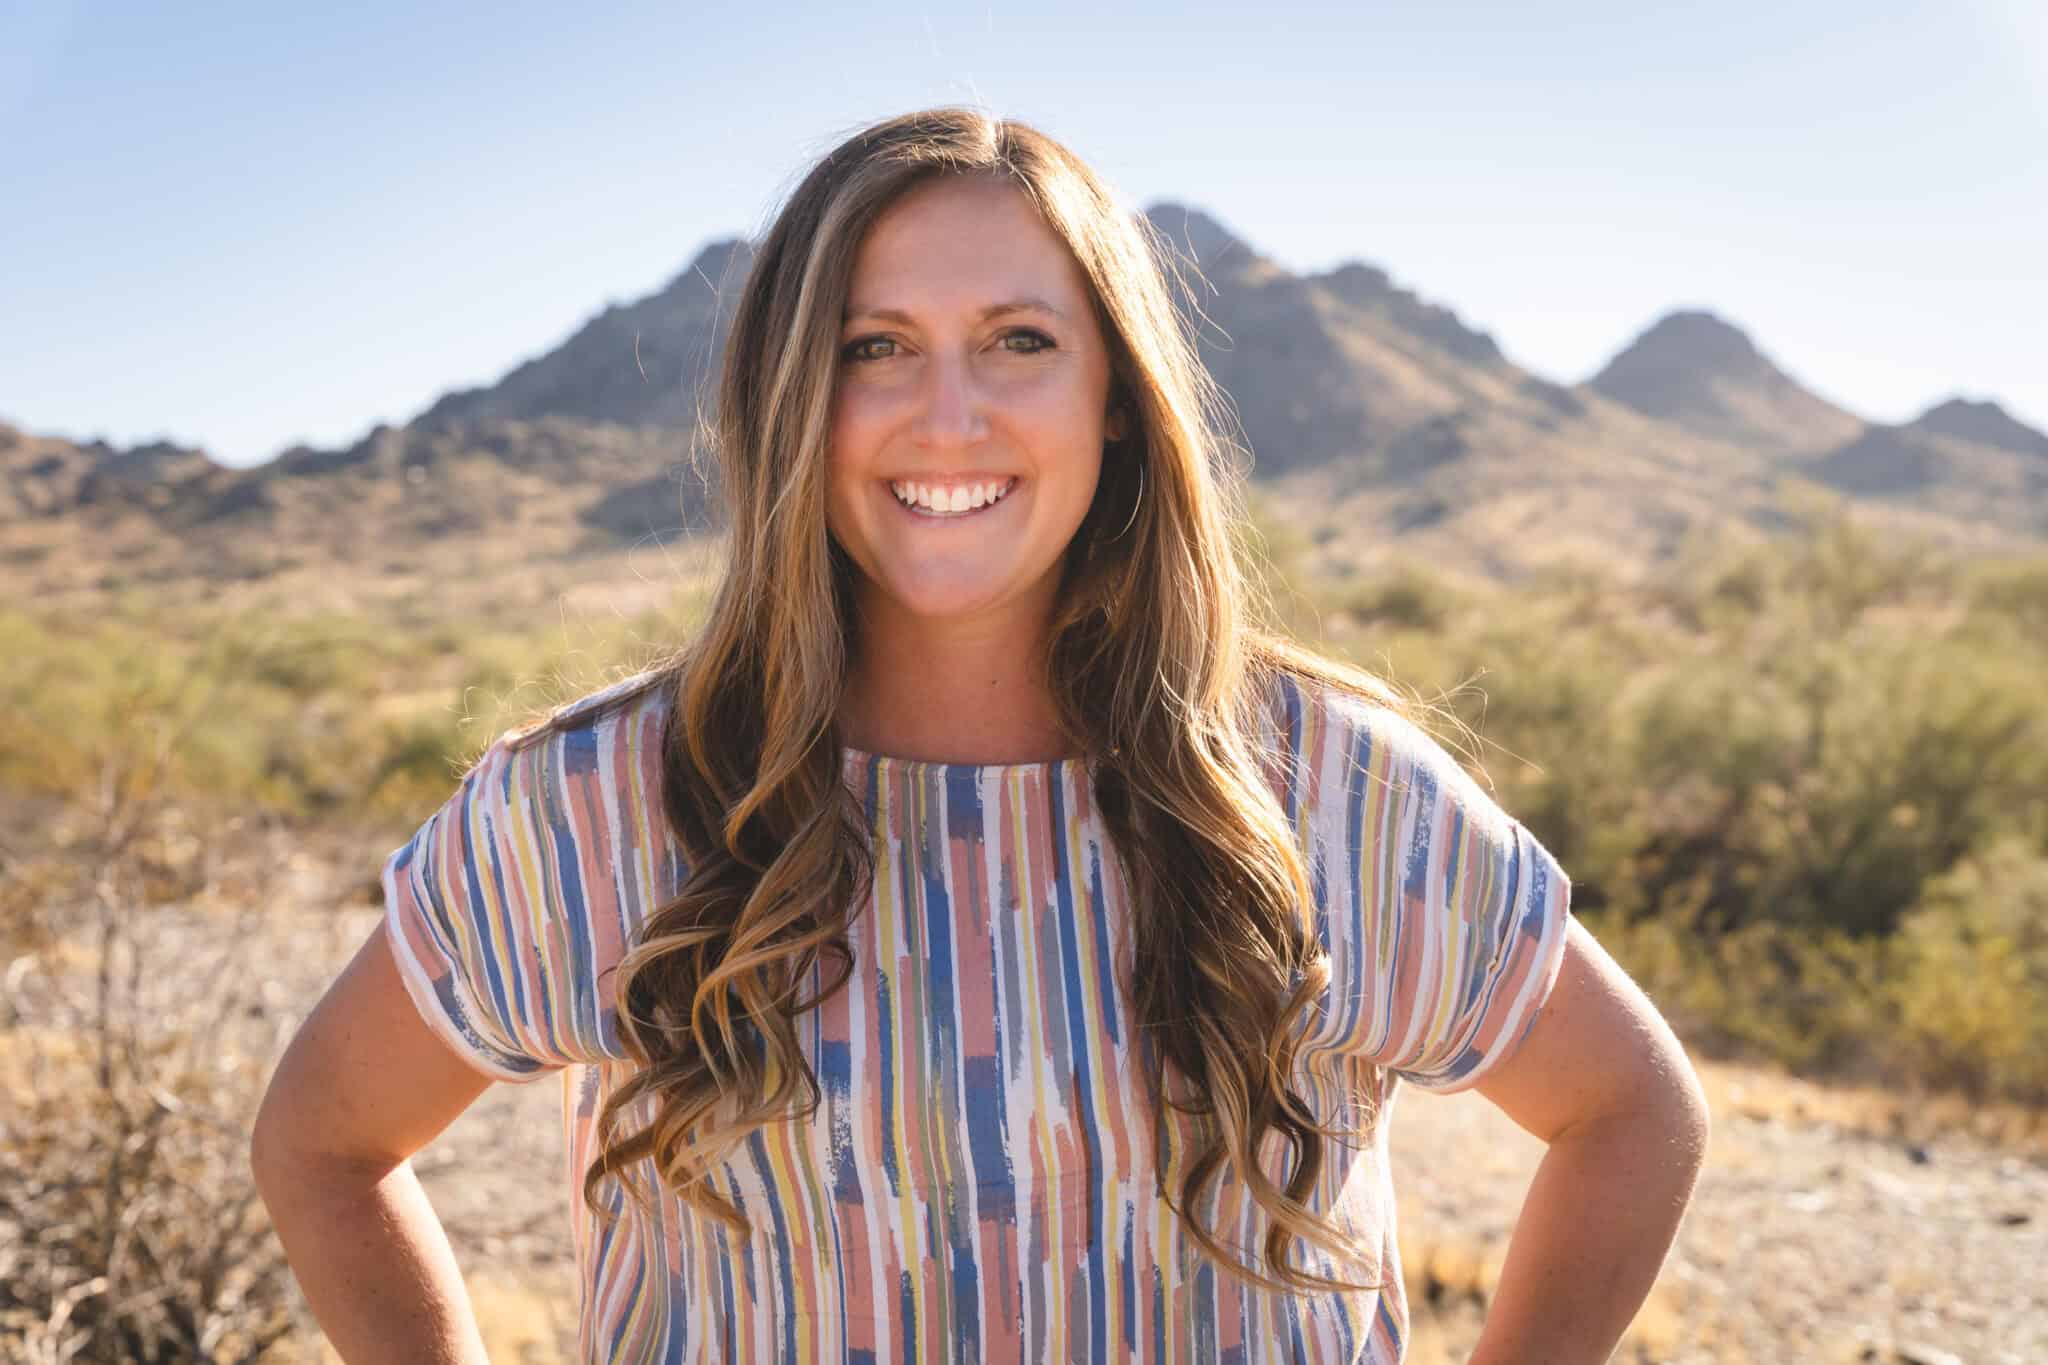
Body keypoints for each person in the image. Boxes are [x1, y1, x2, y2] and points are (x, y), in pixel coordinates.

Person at [250, 107, 1708, 1364]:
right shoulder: (604, 801)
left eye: (1020, 341)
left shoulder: (1325, 785)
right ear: (792, 400)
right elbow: (322, 1144)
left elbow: (1631, 1110)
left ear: (1117, 398)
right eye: (875, 346)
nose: (948, 418)